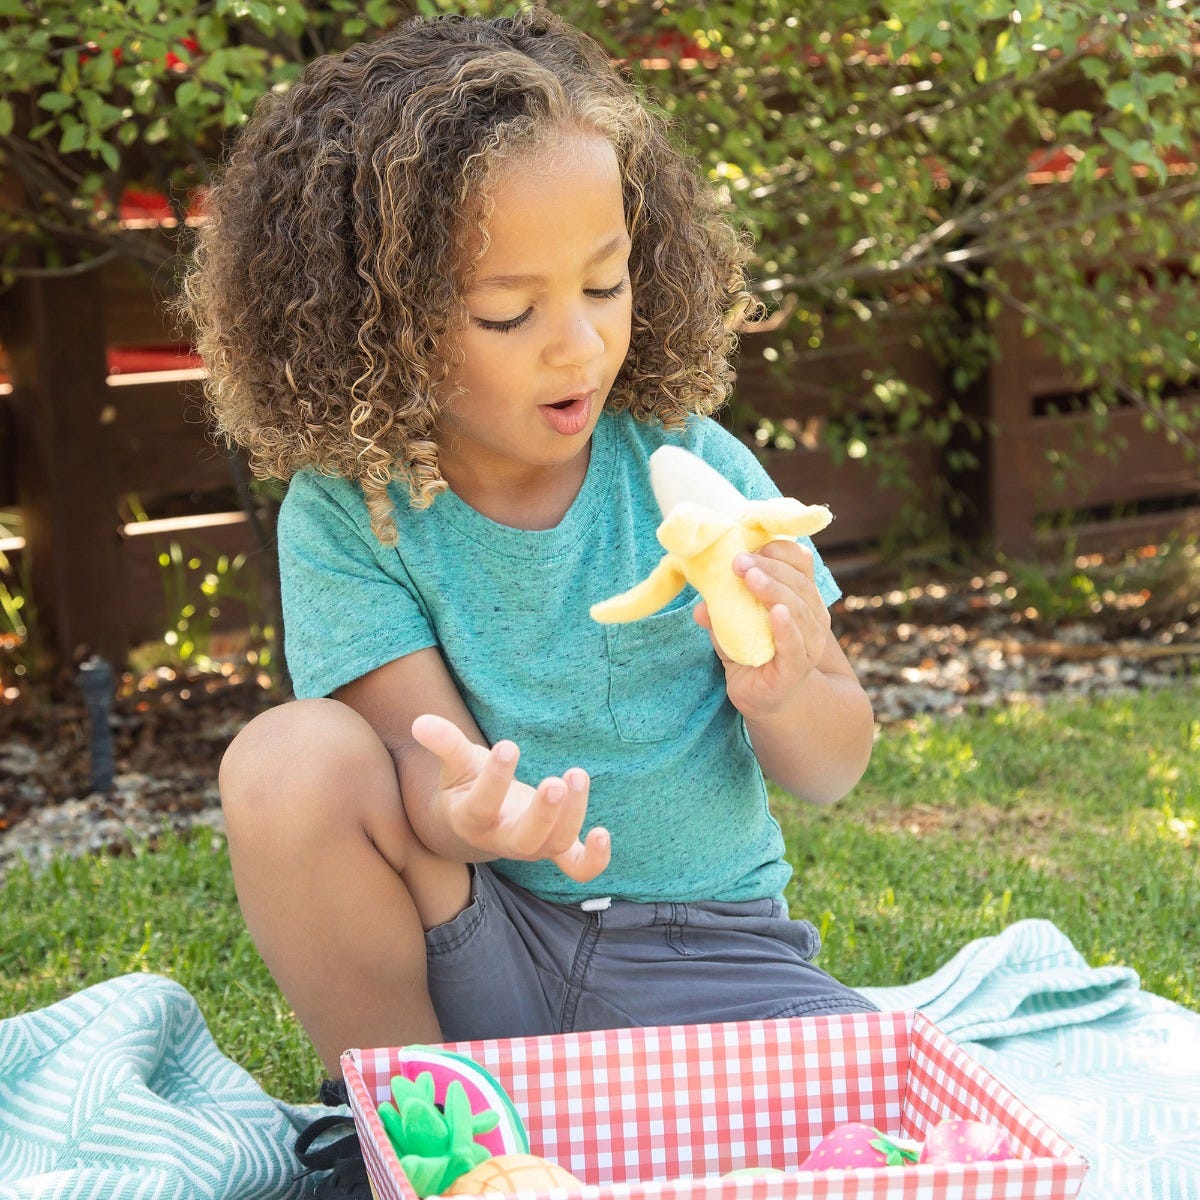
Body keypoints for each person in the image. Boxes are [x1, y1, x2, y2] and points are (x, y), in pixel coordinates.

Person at [182, 8, 876, 1192]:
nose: (579, 347)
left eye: (606, 285)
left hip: (710, 957)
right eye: (510, 313)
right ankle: (424, 1137)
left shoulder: (693, 463)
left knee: (869, 1128)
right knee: (285, 759)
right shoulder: (357, 512)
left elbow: (835, 765)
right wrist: (478, 820)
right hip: (477, 954)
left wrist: (788, 683)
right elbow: (412, 766)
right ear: (376, 325)